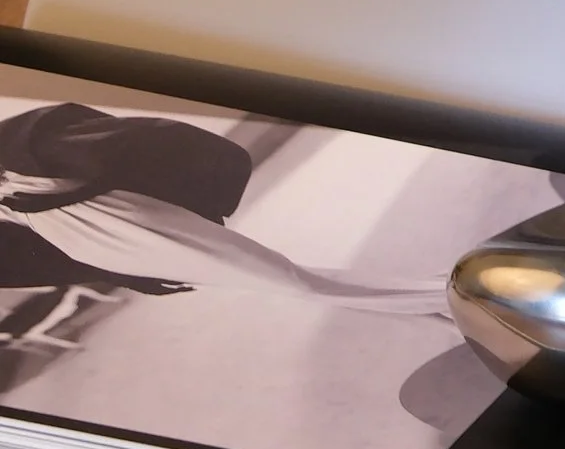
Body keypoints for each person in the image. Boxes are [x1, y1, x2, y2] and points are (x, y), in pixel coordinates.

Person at [0, 100, 450, 317]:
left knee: (288, 280)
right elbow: (23, 256)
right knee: (287, 280)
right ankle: (438, 304)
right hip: (80, 235)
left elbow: (65, 152)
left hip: (106, 215)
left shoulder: (25, 162)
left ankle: (441, 299)